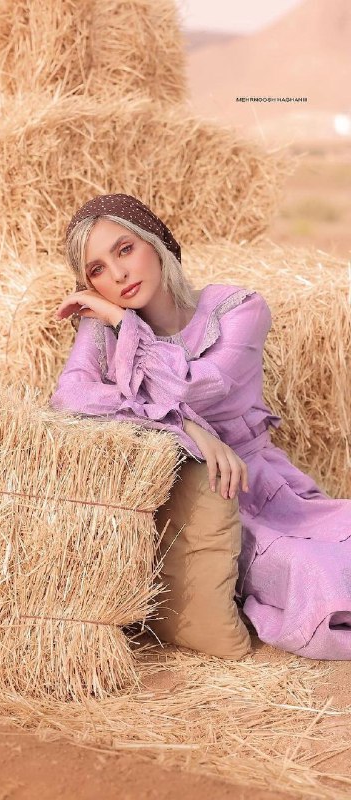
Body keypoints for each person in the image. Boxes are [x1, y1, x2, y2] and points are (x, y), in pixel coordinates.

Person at [50, 192, 351, 660]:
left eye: (125, 249)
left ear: (156, 243)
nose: (119, 274)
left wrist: (127, 330)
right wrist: (189, 431)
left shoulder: (239, 309)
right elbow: (69, 401)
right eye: (97, 270)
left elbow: (195, 387)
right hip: (197, 502)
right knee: (313, 571)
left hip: (261, 483)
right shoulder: (104, 330)